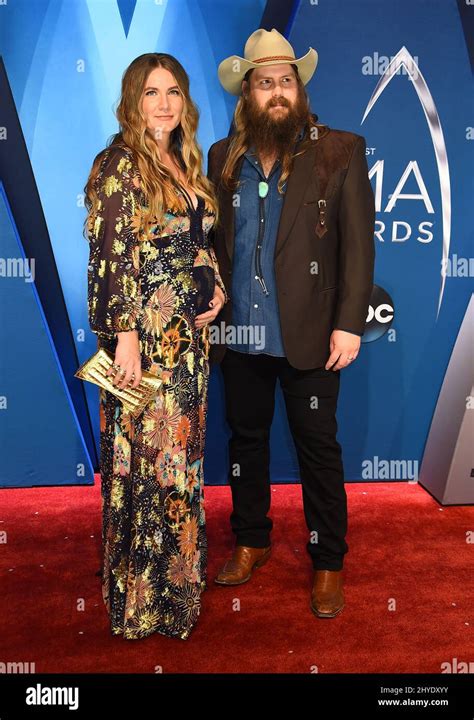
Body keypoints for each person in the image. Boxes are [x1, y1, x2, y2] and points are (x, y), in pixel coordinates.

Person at [207, 29, 375, 618]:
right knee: (245, 443)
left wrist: (349, 323)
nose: (276, 92)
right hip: (242, 333)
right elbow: (218, 245)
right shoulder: (221, 156)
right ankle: (252, 540)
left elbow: (359, 248)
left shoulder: (340, 150)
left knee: (317, 450)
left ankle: (328, 562)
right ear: (247, 93)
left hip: (311, 333)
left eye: (286, 81)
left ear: (298, 89)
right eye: (264, 82)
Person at [83, 53, 227, 640]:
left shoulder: (180, 160)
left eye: (173, 92)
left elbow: (195, 237)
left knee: (181, 468)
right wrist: (124, 340)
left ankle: (177, 590)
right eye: (151, 93)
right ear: (131, 101)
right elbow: (109, 258)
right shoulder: (118, 164)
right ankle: (143, 602)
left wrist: (213, 282)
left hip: (190, 345)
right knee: (146, 466)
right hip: (145, 347)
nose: (164, 103)